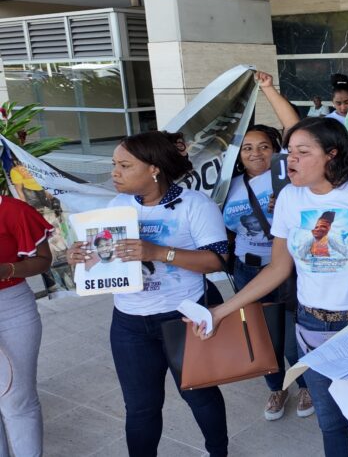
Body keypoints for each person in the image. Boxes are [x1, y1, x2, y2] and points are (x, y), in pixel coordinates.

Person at [197, 117, 348, 456]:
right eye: (289, 151)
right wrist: (222, 311)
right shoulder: (291, 199)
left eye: (302, 152)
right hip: (310, 326)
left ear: (332, 155)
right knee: (330, 422)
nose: (290, 159)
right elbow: (278, 267)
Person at [66, 131, 230, 457]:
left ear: (154, 168)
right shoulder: (118, 205)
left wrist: (158, 252)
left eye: (125, 165)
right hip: (129, 323)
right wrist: (83, 258)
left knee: (199, 394)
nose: (115, 173)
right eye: (114, 164)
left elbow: (217, 260)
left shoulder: (195, 205)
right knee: (140, 408)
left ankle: (218, 451)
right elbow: (108, 259)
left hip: (183, 318)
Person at [221, 124, 312, 421]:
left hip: (285, 268)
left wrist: (286, 201)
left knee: (290, 338)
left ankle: (305, 385)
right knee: (261, 336)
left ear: (276, 151)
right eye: (247, 147)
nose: (255, 153)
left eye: (263, 146)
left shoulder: (287, 178)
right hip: (245, 269)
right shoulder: (228, 186)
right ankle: (276, 387)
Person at [0, 195, 53, 456]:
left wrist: (6, 269)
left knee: (18, 398)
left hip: (10, 307)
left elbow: (44, 259)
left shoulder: (14, 211)